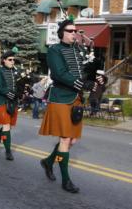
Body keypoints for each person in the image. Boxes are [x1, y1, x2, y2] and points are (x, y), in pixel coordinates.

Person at [38, 19, 102, 193]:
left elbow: (83, 72)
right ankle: (66, 180)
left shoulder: (79, 50)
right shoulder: (54, 50)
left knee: (72, 140)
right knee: (65, 139)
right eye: (70, 31)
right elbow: (59, 74)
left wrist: (92, 78)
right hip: (60, 97)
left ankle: (49, 162)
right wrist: (82, 84)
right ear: (61, 33)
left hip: (76, 99)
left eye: (75, 31)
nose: (74, 33)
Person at [0, 49, 19, 161]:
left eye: (13, 60)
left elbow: (19, 86)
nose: (12, 62)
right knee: (6, 125)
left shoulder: (16, 71)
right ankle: (8, 151)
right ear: (4, 60)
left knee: (9, 126)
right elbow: (0, 87)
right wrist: (10, 94)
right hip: (2, 101)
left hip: (13, 102)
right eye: (10, 60)